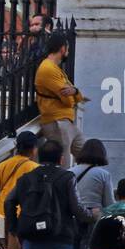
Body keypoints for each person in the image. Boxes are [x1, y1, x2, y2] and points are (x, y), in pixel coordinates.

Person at [34, 32, 87, 167]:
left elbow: (78, 96)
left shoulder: (56, 69)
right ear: (63, 49)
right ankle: (65, 187)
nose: (68, 52)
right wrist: (74, 94)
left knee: (88, 156)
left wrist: (75, 91)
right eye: (68, 49)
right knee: (63, 166)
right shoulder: (48, 69)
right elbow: (68, 101)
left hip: (65, 121)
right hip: (57, 122)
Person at [72, 138, 114, 249]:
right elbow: (109, 203)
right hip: (94, 217)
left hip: (73, 216)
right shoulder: (103, 174)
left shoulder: (70, 171)